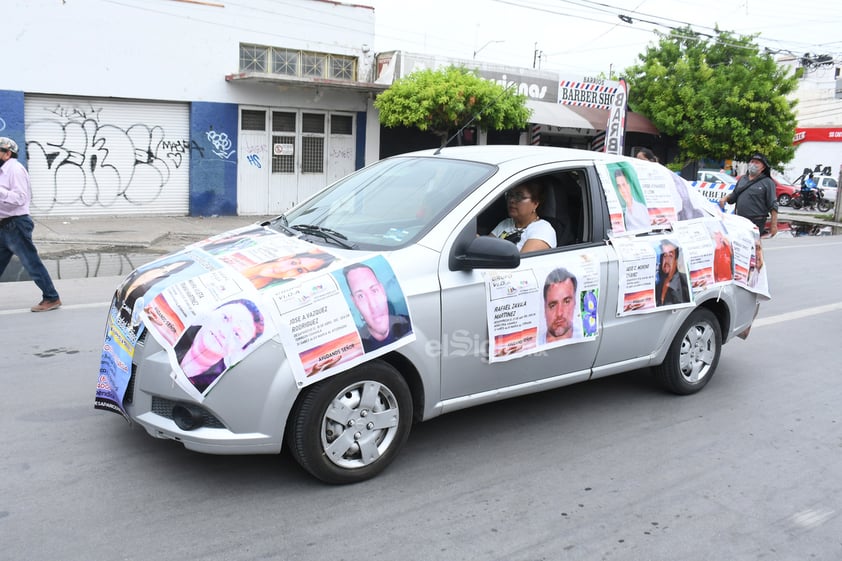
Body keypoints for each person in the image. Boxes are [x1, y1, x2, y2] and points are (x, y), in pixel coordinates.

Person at [0, 137, 62, 312]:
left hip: (16, 224)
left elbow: (19, 198)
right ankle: (51, 297)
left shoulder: (15, 169)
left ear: (7, 154)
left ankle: (51, 297)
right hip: (5, 225)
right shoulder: (2, 171)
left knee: (31, 263)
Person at [173, 299, 265, 393]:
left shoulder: (220, 385)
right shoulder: (173, 330)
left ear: (241, 350)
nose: (224, 332)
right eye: (225, 318)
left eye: (237, 334)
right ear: (214, 310)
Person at [343, 262, 411, 353]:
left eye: (374, 290)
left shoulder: (408, 324)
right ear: (355, 302)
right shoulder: (353, 349)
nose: (373, 305)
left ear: (382, 290)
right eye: (361, 296)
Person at [115, 259, 192, 326]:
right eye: (164, 268)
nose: (160, 273)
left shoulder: (141, 295)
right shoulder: (130, 281)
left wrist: (149, 316)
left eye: (166, 272)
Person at [718, 153, 778, 236]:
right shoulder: (743, 179)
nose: (753, 164)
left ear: (763, 167)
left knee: (753, 246)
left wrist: (774, 225)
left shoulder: (768, 182)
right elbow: (735, 194)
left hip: (756, 221)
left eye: (757, 163)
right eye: (752, 162)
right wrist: (725, 198)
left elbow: (773, 205)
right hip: (739, 219)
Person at [490, 180, 556, 253]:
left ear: (535, 203)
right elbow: (485, 247)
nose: (511, 200)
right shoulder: (506, 223)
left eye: (519, 196)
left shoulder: (542, 230)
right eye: (510, 195)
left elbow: (523, 262)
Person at [240, 250, 337, 290]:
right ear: (286, 258)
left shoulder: (267, 287)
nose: (285, 269)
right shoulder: (242, 258)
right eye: (293, 263)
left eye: (299, 270)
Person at [541, 267, 578, 344]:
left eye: (567, 302)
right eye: (553, 305)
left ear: (575, 302)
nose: (559, 313)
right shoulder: (530, 346)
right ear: (544, 309)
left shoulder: (584, 338)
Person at [655, 239, 690, 306]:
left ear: (676, 260)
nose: (666, 260)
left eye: (670, 256)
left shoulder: (684, 281)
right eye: (664, 255)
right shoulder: (657, 285)